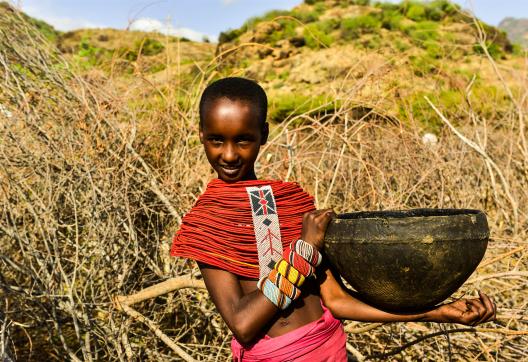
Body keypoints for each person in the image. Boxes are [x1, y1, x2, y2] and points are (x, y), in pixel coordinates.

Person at [171, 77, 496, 361]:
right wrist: (303, 250)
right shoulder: (206, 223)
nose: (229, 154)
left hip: (330, 349)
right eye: (216, 140)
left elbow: (337, 302)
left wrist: (436, 312)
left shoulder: (292, 202)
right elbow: (243, 325)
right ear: (201, 135)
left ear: (264, 134)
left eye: (243, 139)